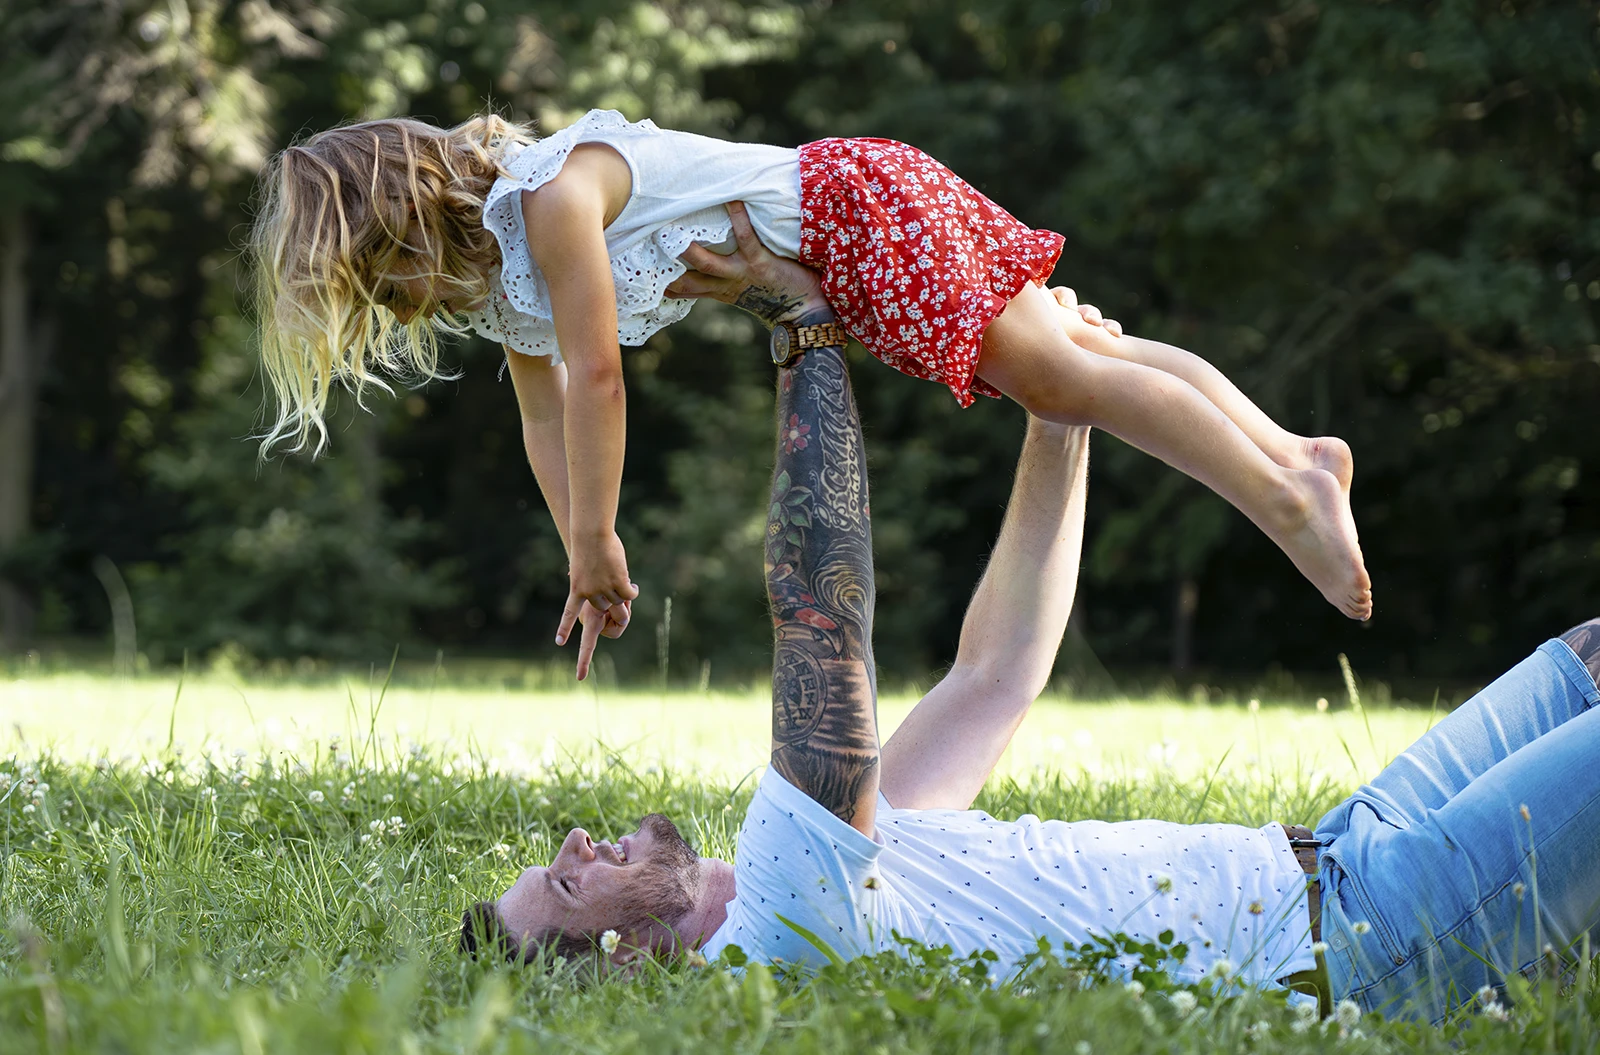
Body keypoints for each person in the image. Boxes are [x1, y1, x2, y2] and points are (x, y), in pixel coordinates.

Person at [461, 237, 1600, 1024]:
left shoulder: (842, 874)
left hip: (1343, 845)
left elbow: (995, 674)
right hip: (1372, 933)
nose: (567, 847)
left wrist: (1062, 417)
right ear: (618, 960)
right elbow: (821, 611)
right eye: (560, 889)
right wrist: (804, 333)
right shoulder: (779, 925)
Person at [250, 109, 1373, 679]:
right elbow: (544, 410)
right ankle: (1296, 451)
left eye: (370, 273)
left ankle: (1276, 497)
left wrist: (600, 530)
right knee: (1081, 356)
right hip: (848, 225)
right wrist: (578, 549)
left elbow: (597, 377)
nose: (385, 303)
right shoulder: (497, 286)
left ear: (402, 214)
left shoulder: (549, 199)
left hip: (850, 209)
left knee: (1056, 376)